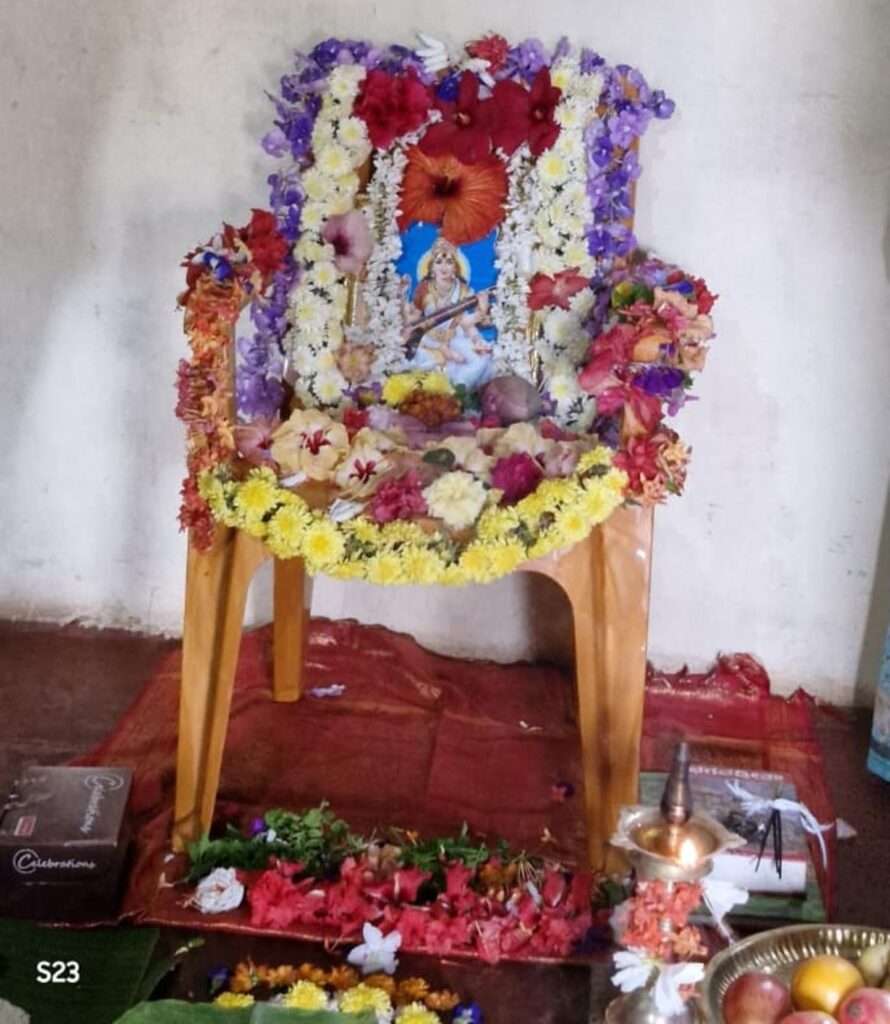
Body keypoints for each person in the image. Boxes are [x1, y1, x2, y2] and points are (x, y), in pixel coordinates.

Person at [401, 237, 493, 390]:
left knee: (480, 359)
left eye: (449, 262)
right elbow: (413, 320)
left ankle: (458, 393)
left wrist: (481, 312)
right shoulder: (424, 288)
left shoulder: (463, 290)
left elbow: (465, 323)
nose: (444, 267)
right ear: (432, 267)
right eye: (439, 262)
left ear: (455, 267)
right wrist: (402, 297)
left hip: (455, 338)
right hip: (427, 340)